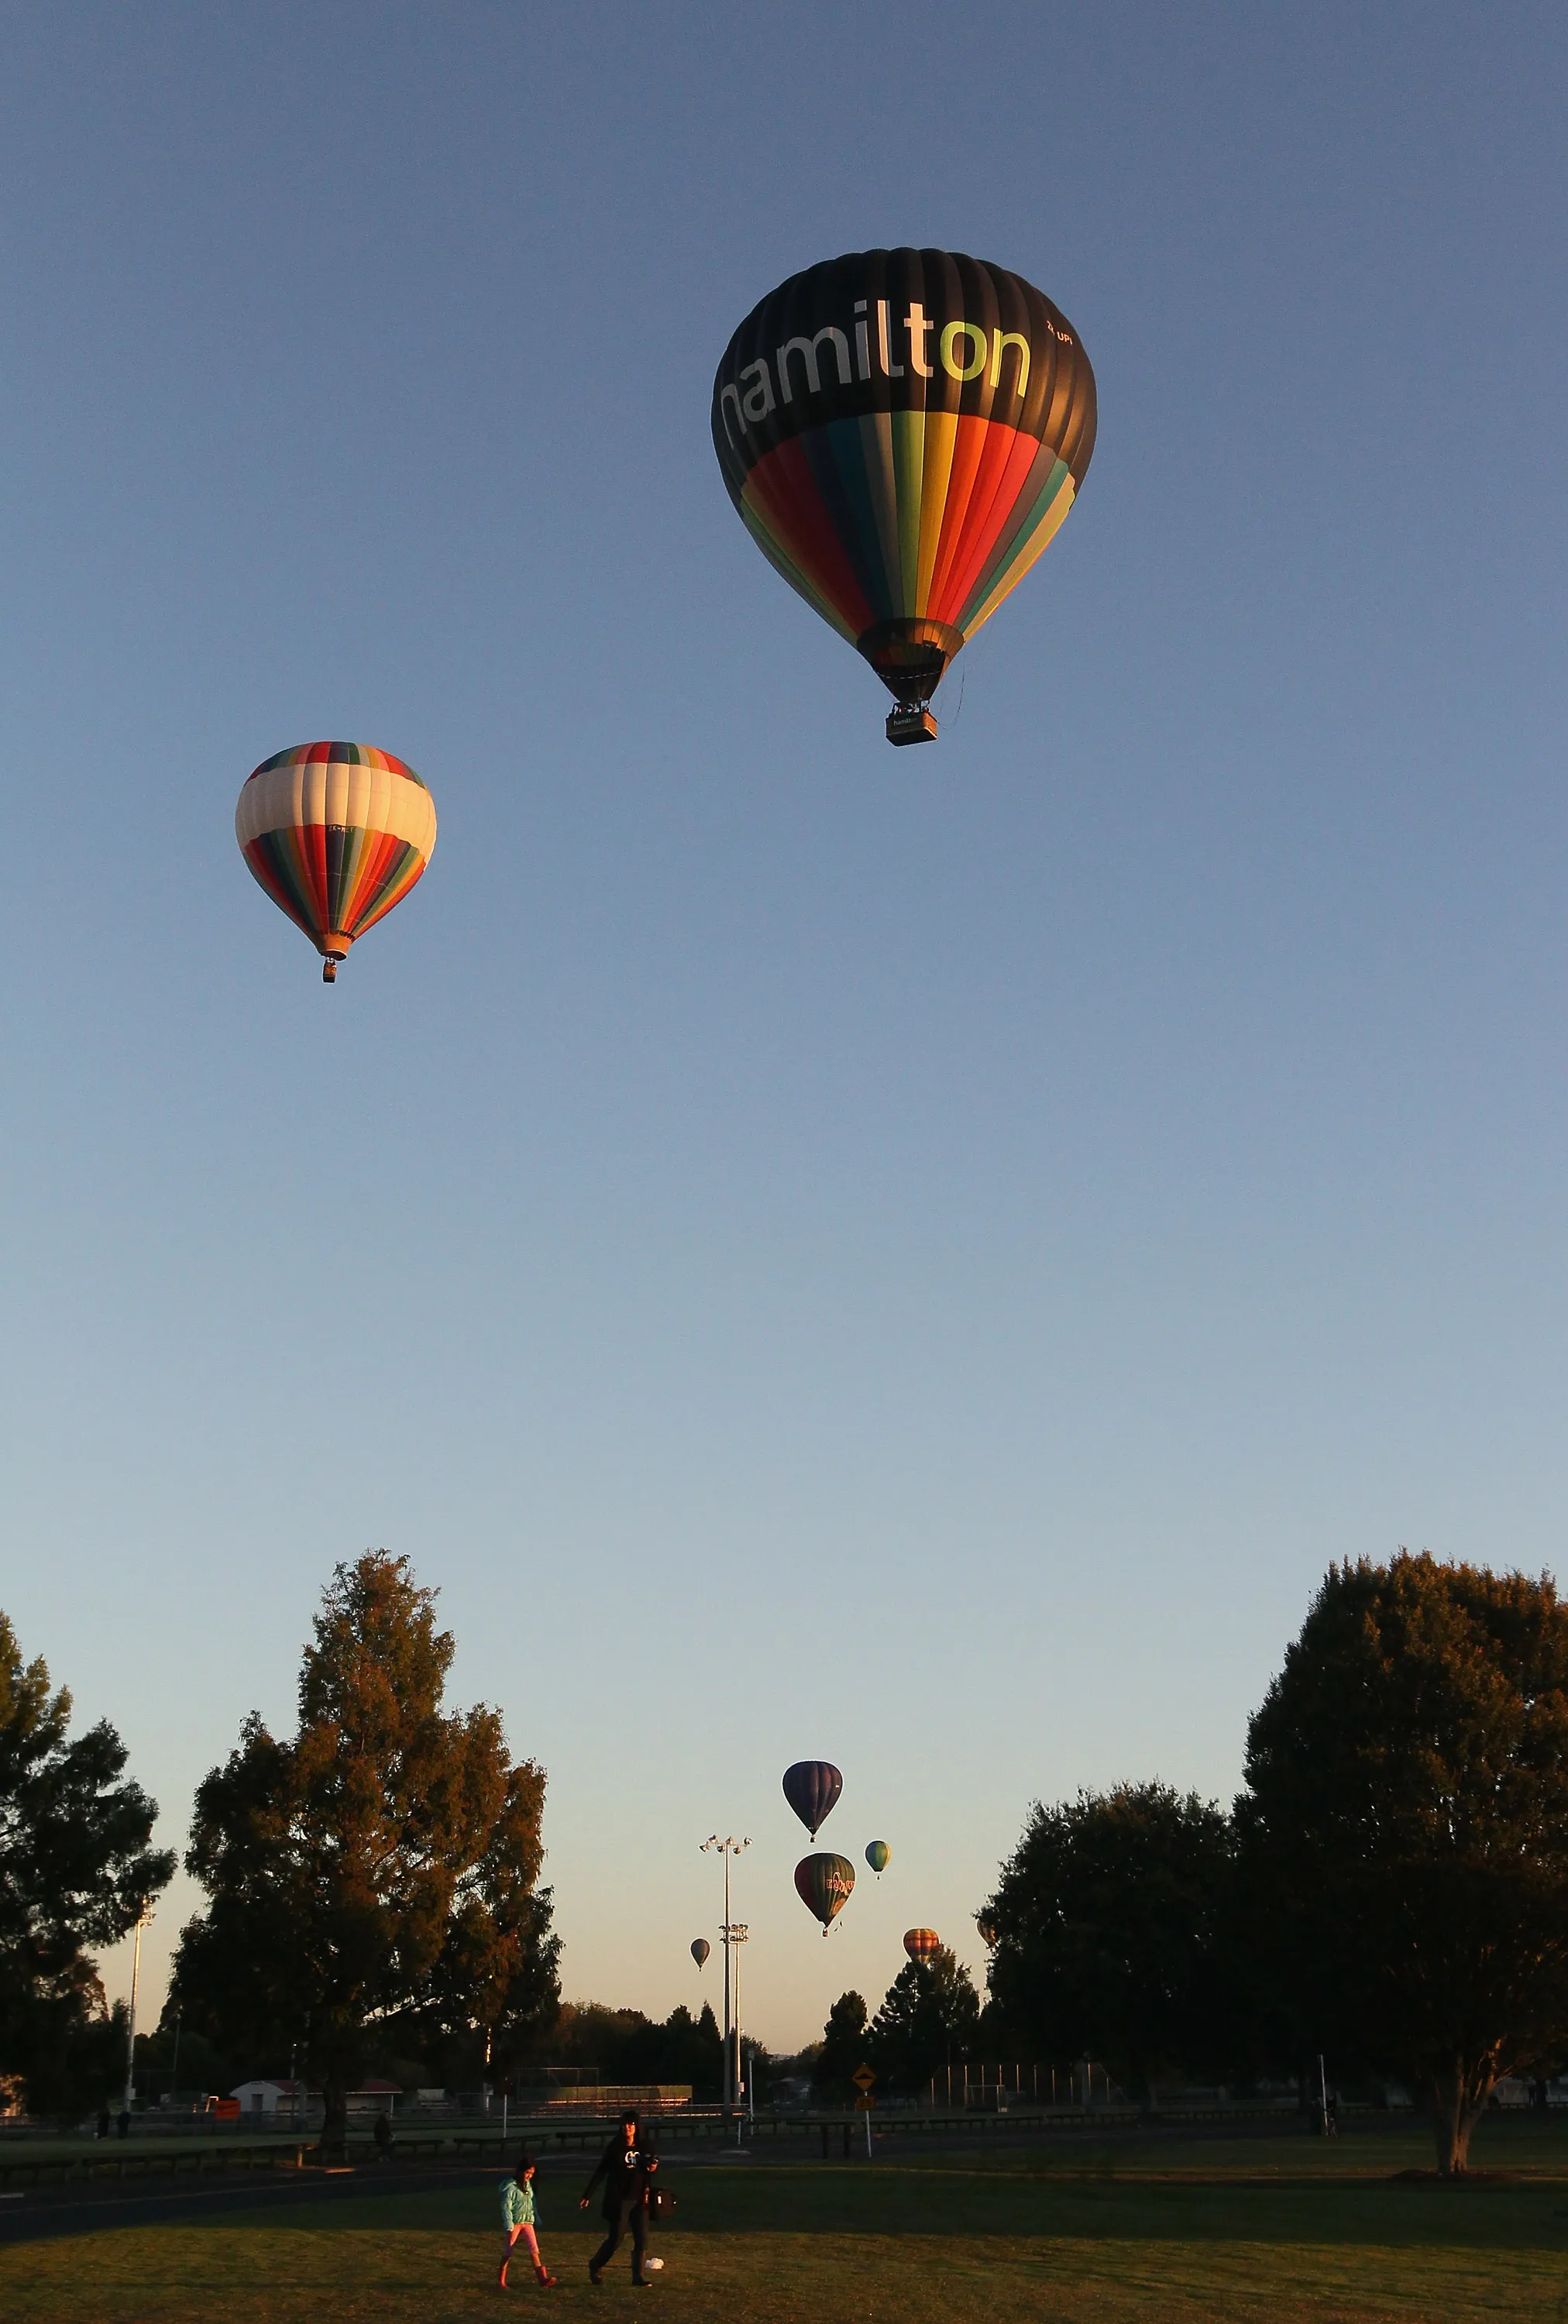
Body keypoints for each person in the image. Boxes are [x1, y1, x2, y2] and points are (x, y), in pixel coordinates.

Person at [579, 2112, 658, 2288]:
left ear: (637, 2126)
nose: (627, 2127)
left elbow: (650, 2168)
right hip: (620, 2199)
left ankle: (638, 2277)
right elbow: (601, 2171)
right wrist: (588, 2194)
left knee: (642, 2238)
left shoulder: (645, 2145)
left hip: (641, 2199)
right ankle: (596, 2264)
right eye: (624, 2124)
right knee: (616, 2239)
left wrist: (653, 2167)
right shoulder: (615, 2147)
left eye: (631, 2124)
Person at [499, 2153, 556, 2290]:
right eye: (527, 2172)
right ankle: (501, 2280)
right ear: (520, 2170)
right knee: (508, 2252)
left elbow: (532, 2204)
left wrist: (536, 2218)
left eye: (532, 2173)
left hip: (528, 2222)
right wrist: (509, 2224)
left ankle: (542, 2278)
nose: (529, 2176)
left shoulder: (528, 2187)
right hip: (515, 2223)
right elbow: (506, 2207)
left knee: (534, 2249)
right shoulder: (511, 2188)